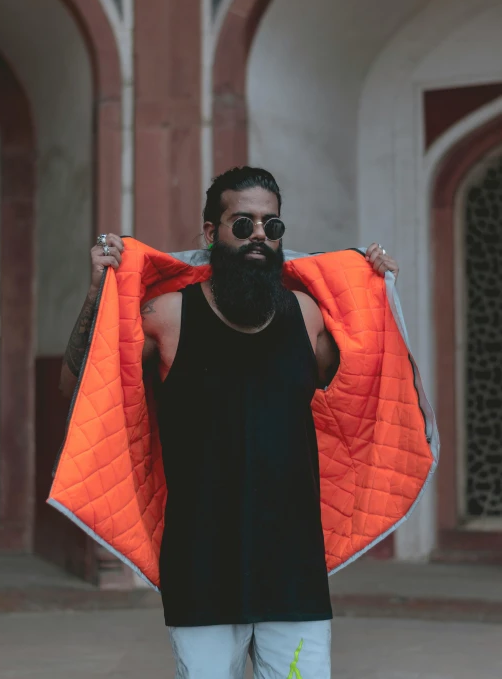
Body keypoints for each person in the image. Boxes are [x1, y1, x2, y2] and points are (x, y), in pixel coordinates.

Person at [59, 167, 403, 679]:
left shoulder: (306, 316)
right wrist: (94, 295)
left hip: (294, 569)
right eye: (242, 224)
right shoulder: (168, 316)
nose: (259, 235)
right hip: (202, 568)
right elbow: (77, 385)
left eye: (272, 225)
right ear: (210, 233)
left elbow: (372, 375)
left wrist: (378, 289)